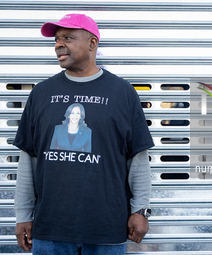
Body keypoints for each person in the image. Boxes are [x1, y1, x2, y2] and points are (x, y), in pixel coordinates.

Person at [13, 13, 154, 254]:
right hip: (50, 229)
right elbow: (29, 160)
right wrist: (22, 216)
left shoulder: (122, 92)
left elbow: (137, 158)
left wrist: (140, 211)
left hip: (106, 229)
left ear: (92, 43)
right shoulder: (41, 93)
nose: (59, 44)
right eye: (56, 39)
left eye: (68, 37)